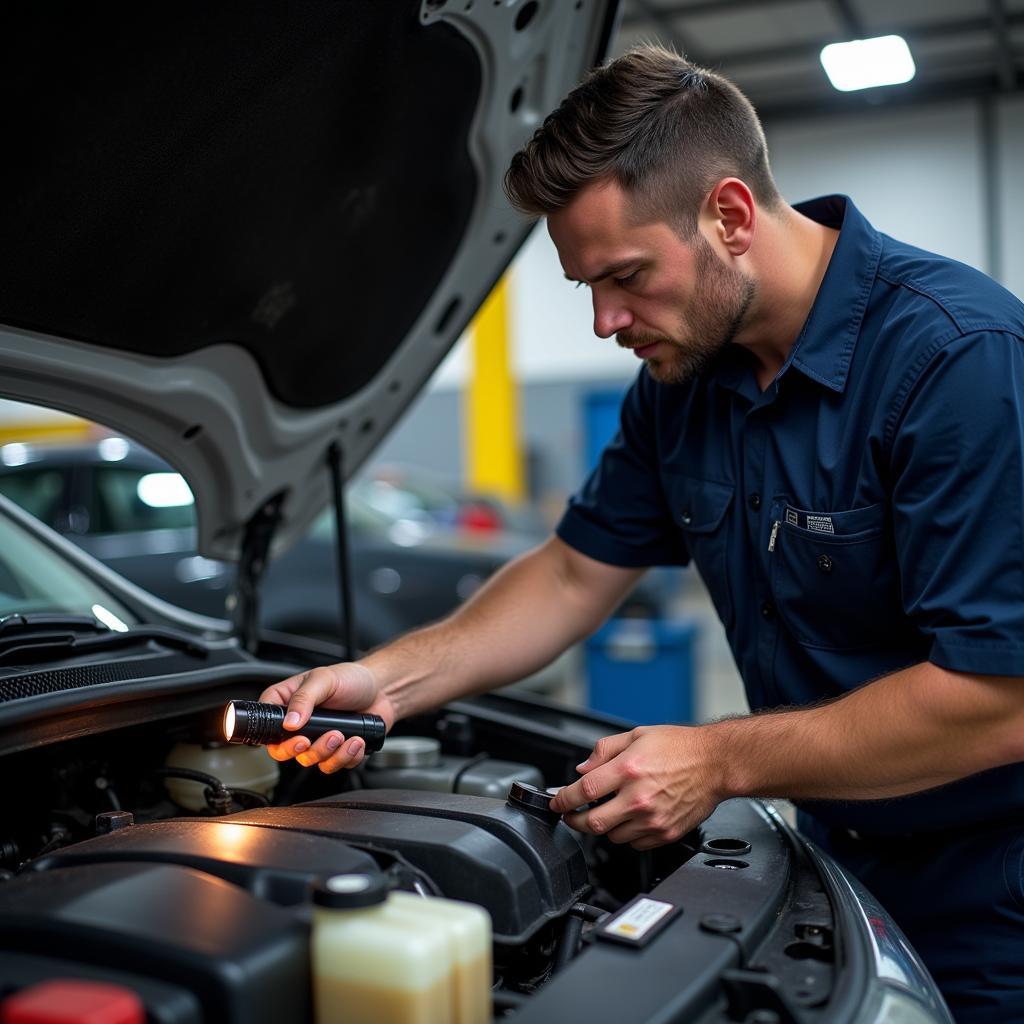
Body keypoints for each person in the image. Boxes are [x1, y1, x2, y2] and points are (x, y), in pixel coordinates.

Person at [261, 46, 1024, 1022]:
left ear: (730, 216)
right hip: (834, 857)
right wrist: (389, 680)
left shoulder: (955, 362)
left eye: (623, 276)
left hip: (992, 892)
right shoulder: (682, 385)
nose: (604, 320)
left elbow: (999, 698)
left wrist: (718, 759)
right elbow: (575, 573)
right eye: (586, 286)